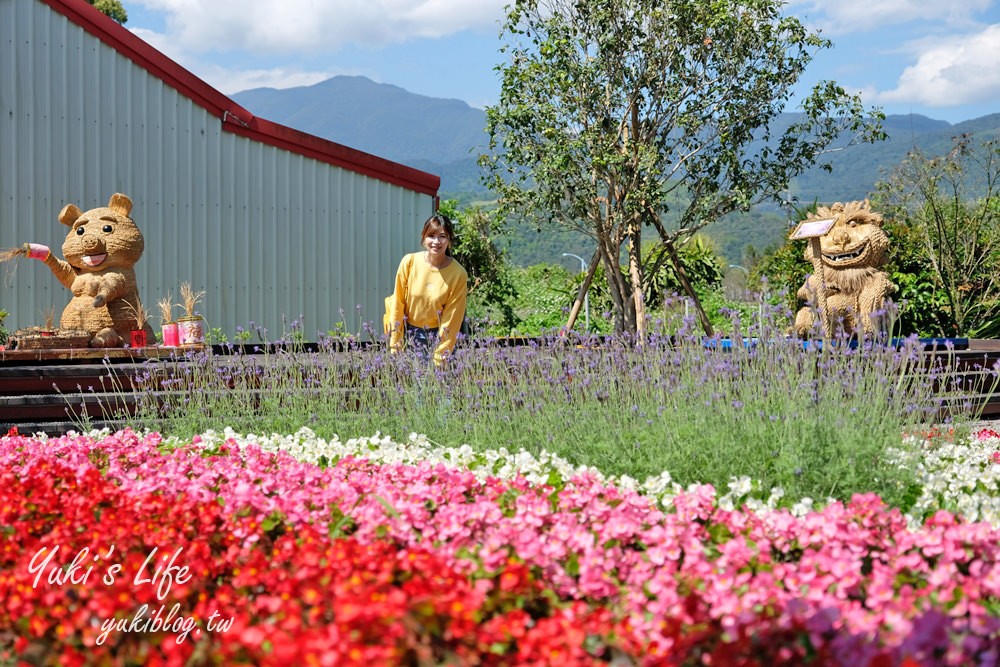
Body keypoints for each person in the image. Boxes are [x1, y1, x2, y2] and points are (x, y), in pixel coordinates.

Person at [386, 213, 468, 365]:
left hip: (441, 336)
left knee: (439, 386)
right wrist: (395, 343)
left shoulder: (458, 274)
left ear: (449, 239)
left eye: (442, 236)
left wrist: (440, 355)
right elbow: (398, 302)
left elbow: (453, 317)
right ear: (423, 238)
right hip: (409, 334)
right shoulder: (409, 262)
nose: (436, 242)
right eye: (431, 236)